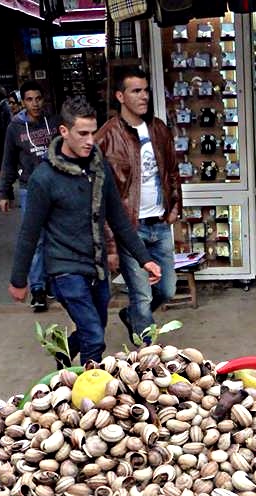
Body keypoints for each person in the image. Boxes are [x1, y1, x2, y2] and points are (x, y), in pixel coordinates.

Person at [8, 96, 161, 366]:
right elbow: (29, 233)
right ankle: (88, 396)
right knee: (93, 336)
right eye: (82, 133)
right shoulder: (44, 178)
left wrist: (144, 258)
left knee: (96, 326)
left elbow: (118, 218)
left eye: (93, 132)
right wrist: (20, 280)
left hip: (97, 266)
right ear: (64, 131)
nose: (90, 140)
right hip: (64, 268)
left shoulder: (98, 166)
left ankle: (63, 351)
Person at [95, 65, 182, 341]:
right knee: (142, 295)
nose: (143, 96)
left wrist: (175, 206)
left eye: (146, 90)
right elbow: (100, 196)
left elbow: (172, 171)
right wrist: (110, 244)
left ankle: (132, 316)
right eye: (136, 91)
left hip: (159, 223)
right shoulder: (106, 137)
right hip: (130, 229)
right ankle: (147, 355)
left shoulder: (159, 129)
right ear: (120, 96)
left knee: (167, 289)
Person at [0, 80, 57, 313]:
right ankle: (39, 290)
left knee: (55, 236)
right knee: (35, 239)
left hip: (55, 186)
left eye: (38, 98)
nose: (35, 103)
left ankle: (54, 282)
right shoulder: (15, 128)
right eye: (30, 99)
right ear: (23, 102)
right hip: (29, 189)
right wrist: (4, 192)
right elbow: (8, 160)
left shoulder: (53, 122)